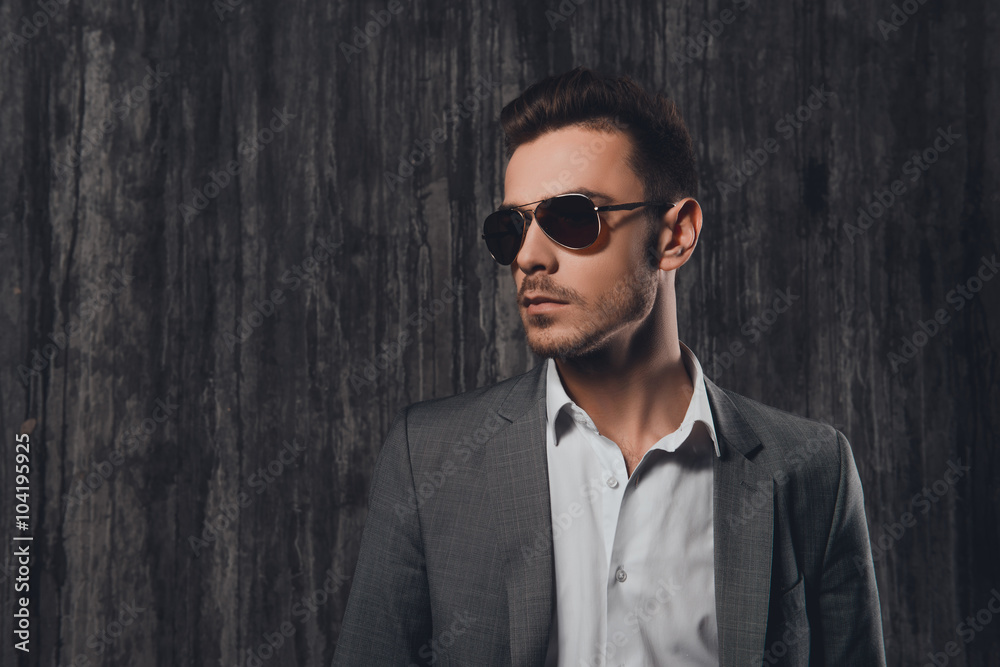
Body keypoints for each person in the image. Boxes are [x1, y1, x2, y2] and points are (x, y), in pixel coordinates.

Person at [332, 67, 886, 666]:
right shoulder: (430, 459)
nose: (529, 256)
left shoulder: (811, 470)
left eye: (571, 218)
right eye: (510, 228)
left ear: (676, 235)